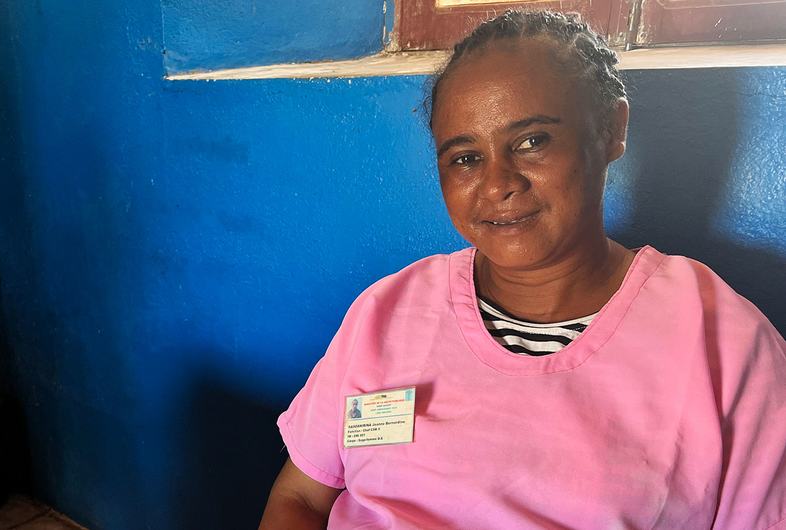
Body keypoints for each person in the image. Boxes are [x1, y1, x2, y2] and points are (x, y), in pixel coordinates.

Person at [259, 10, 786, 529]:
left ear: (610, 130)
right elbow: (301, 498)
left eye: (532, 141)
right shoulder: (387, 313)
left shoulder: (724, 344)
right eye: (465, 157)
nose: (497, 185)